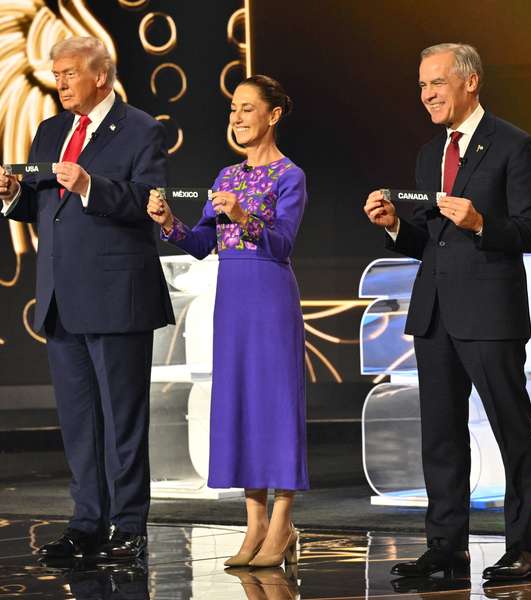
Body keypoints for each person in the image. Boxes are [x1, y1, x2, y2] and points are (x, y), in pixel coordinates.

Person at [363, 43, 531, 581]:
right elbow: (431, 241)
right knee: (440, 437)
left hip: (490, 313)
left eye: (436, 83)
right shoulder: (429, 155)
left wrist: (481, 222)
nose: (427, 95)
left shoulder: (515, 146)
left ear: (470, 82)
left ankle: (523, 548)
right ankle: (447, 548)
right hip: (436, 314)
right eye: (421, 86)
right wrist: (396, 225)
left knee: (512, 429)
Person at [0, 36, 174, 562]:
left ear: (102, 76)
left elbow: (149, 201)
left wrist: (93, 185)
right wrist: (12, 197)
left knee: (122, 418)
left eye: (70, 73)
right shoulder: (50, 132)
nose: (60, 82)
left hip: (117, 296)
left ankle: (128, 527)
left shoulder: (140, 128)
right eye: (57, 74)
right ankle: (86, 523)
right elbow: (45, 206)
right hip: (61, 298)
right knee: (79, 420)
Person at [148, 75, 308, 568]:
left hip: (271, 300)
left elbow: (281, 244)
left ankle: (283, 523)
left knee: (276, 407)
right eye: (232, 110)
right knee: (239, 406)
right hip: (233, 303)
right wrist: (167, 221)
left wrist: (242, 215)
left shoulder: (289, 176)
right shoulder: (225, 176)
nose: (236, 118)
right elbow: (201, 243)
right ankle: (254, 522)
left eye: (246, 109)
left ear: (273, 115)